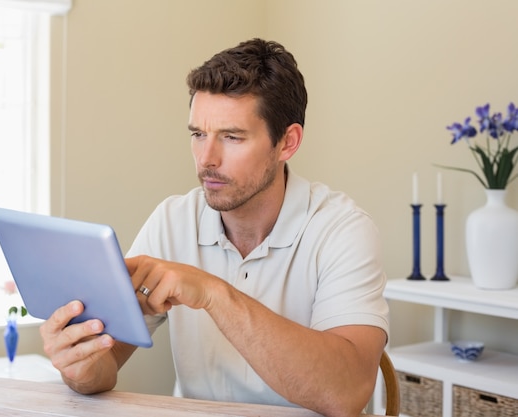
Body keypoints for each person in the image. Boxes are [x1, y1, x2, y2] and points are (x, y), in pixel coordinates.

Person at [40, 38, 389, 417]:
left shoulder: (342, 230)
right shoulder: (172, 221)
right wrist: (79, 366)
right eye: (197, 134)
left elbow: (347, 393)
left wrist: (214, 294)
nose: (206, 159)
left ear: (287, 142)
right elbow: (104, 366)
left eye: (232, 137)